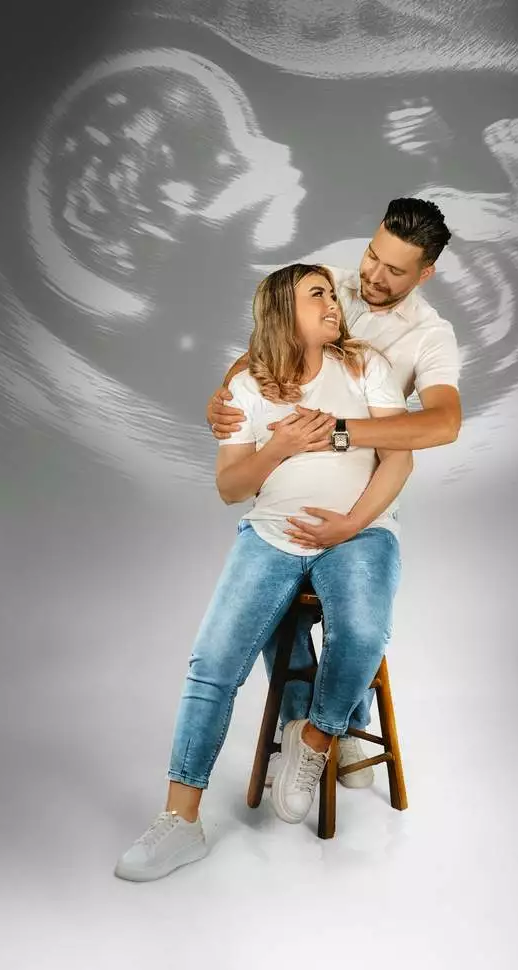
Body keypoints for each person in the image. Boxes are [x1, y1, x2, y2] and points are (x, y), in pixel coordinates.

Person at [114, 262, 412, 881]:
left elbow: (398, 461)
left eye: (332, 294)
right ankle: (181, 822)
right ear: (282, 312)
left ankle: (316, 737)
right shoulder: (247, 387)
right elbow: (230, 488)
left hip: (360, 531)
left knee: (362, 632)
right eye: (317, 295)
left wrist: (349, 524)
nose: (334, 304)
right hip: (272, 534)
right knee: (212, 662)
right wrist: (278, 447)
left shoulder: (365, 367)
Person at [207, 198, 462, 787]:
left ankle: (337, 727)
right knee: (276, 608)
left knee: (358, 619)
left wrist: (340, 432)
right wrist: (223, 401)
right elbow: (262, 355)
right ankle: (304, 724)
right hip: (285, 494)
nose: (374, 275)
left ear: (425, 274)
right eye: (373, 256)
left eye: (395, 270)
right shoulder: (328, 286)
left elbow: (444, 424)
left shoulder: (430, 335)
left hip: (364, 499)